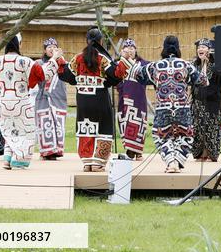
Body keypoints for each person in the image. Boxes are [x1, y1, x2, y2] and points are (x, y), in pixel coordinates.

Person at [117, 35, 208, 173]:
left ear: (163, 48)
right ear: (178, 48)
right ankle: (177, 161)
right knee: (186, 135)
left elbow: (135, 73)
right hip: (182, 108)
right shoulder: (186, 65)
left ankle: (171, 162)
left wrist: (126, 58)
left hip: (162, 108)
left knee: (161, 135)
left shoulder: (155, 66)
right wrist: (204, 63)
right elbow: (203, 81)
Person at [0, 33, 61, 170]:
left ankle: (7, 159)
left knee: (9, 131)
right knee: (26, 132)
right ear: (19, 45)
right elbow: (43, 75)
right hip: (22, 102)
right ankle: (19, 160)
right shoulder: (25, 61)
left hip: (4, 102)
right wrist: (54, 59)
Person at [58, 27, 123, 172]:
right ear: (101, 41)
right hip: (100, 100)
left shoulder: (78, 58)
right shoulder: (102, 58)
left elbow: (66, 74)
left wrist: (59, 59)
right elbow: (116, 74)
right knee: (103, 128)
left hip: (83, 101)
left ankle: (87, 161)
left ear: (87, 40)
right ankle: (98, 162)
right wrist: (123, 61)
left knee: (86, 127)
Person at [33, 38, 68, 160]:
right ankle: (47, 151)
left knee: (58, 125)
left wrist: (60, 59)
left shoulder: (62, 63)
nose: (52, 49)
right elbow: (42, 75)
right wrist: (53, 60)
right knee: (45, 124)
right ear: (44, 50)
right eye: (49, 47)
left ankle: (57, 150)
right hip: (43, 98)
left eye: (54, 47)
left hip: (59, 98)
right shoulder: (39, 63)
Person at [192, 38, 221, 162]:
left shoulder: (216, 65)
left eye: (203, 47)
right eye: (199, 47)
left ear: (209, 50)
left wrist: (209, 65)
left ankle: (209, 152)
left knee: (211, 127)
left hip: (212, 102)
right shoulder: (194, 65)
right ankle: (200, 153)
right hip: (197, 101)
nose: (200, 49)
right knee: (198, 127)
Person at [116, 38, 149, 160]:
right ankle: (129, 150)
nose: (129, 50)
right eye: (126, 48)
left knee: (139, 123)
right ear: (122, 50)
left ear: (136, 50)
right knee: (125, 123)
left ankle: (138, 151)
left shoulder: (144, 64)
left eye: (131, 48)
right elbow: (115, 78)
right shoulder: (119, 64)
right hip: (124, 98)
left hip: (139, 99)